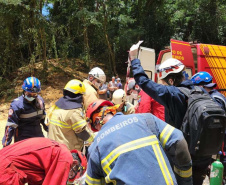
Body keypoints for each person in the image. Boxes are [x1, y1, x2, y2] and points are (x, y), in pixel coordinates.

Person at [85, 99, 192, 185]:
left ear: (98, 121)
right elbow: (178, 142)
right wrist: (184, 180)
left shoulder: (95, 146)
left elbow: (92, 182)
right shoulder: (146, 119)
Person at [0, 137, 87, 185]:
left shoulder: (55, 152)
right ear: (75, 163)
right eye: (73, 174)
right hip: (7, 172)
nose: (70, 176)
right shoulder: (65, 158)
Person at [191, 71, 226, 180]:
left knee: (219, 172)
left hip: (220, 142)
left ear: (201, 86)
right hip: (219, 141)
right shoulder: (217, 96)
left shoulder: (214, 100)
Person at [48, 79, 94, 151]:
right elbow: (82, 133)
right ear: (78, 96)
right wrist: (93, 139)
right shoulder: (74, 112)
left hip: (54, 148)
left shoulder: (56, 106)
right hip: (68, 153)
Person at [2, 76, 47, 147]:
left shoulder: (40, 101)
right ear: (24, 91)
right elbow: (10, 126)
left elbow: (44, 119)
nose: (32, 96)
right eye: (29, 94)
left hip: (38, 136)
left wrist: (50, 131)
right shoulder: (17, 105)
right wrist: (5, 145)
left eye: (34, 94)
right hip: (23, 138)